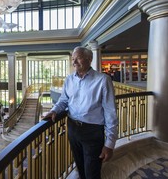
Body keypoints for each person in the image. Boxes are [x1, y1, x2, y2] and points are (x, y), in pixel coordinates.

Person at [43, 46, 118, 179]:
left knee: (92, 172)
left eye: (78, 58)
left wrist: (110, 143)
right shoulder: (69, 79)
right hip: (73, 129)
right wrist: (54, 110)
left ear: (89, 59)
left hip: (93, 131)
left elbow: (110, 112)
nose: (74, 62)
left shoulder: (102, 80)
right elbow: (63, 101)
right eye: (73, 59)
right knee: (81, 169)